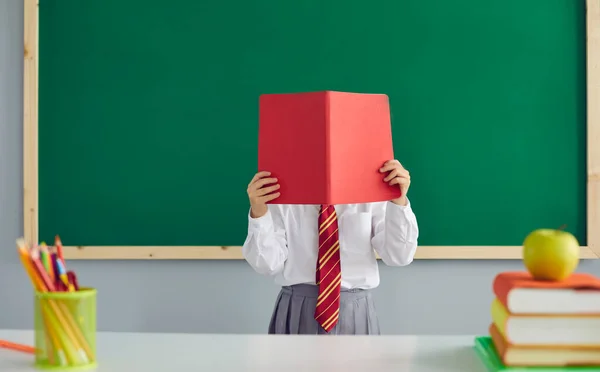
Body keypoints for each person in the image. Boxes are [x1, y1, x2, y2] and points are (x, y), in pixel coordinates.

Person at [242, 159, 419, 335]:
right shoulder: (280, 190)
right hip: (296, 307)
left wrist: (399, 201)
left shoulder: (375, 187)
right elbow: (266, 264)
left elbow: (399, 256)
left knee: (362, 364)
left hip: (356, 309)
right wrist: (259, 211)